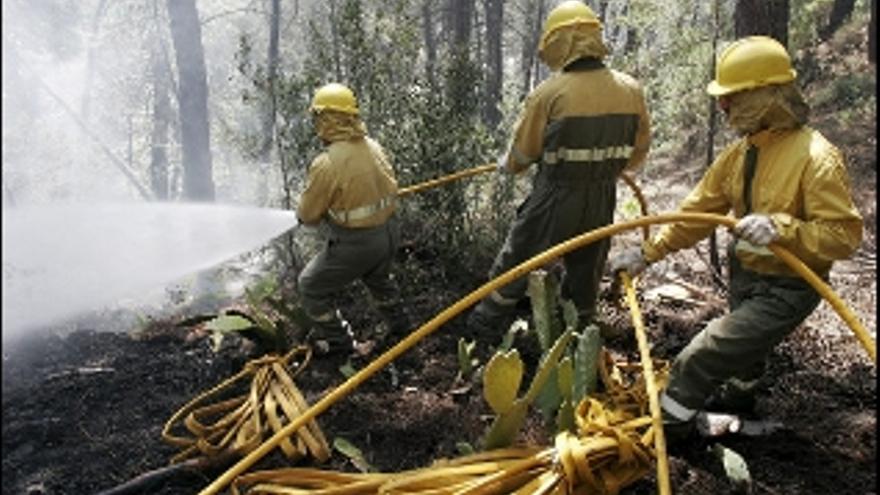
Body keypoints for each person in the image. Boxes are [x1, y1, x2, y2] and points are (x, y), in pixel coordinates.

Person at [609, 36, 863, 437]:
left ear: (768, 94)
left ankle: (669, 431)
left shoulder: (817, 158)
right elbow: (695, 214)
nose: (723, 107)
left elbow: (843, 237)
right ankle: (737, 409)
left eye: (734, 97)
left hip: (789, 287)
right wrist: (648, 252)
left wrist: (781, 228)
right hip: (745, 276)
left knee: (700, 356)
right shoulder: (738, 156)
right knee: (744, 358)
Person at [467, 0, 651, 339]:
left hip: (554, 195)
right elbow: (637, 155)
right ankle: (578, 332)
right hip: (602, 195)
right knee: (586, 266)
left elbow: (522, 155)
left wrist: (508, 164)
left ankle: (485, 323)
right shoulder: (630, 90)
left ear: (559, 43)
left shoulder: (549, 94)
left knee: (519, 256)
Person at [296, 82, 410, 356]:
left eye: (318, 117)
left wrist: (305, 212)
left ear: (326, 119)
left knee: (310, 286)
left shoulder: (327, 163)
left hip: (358, 244)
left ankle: (342, 345)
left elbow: (308, 216)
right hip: (389, 233)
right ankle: (402, 328)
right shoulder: (373, 146)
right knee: (380, 280)